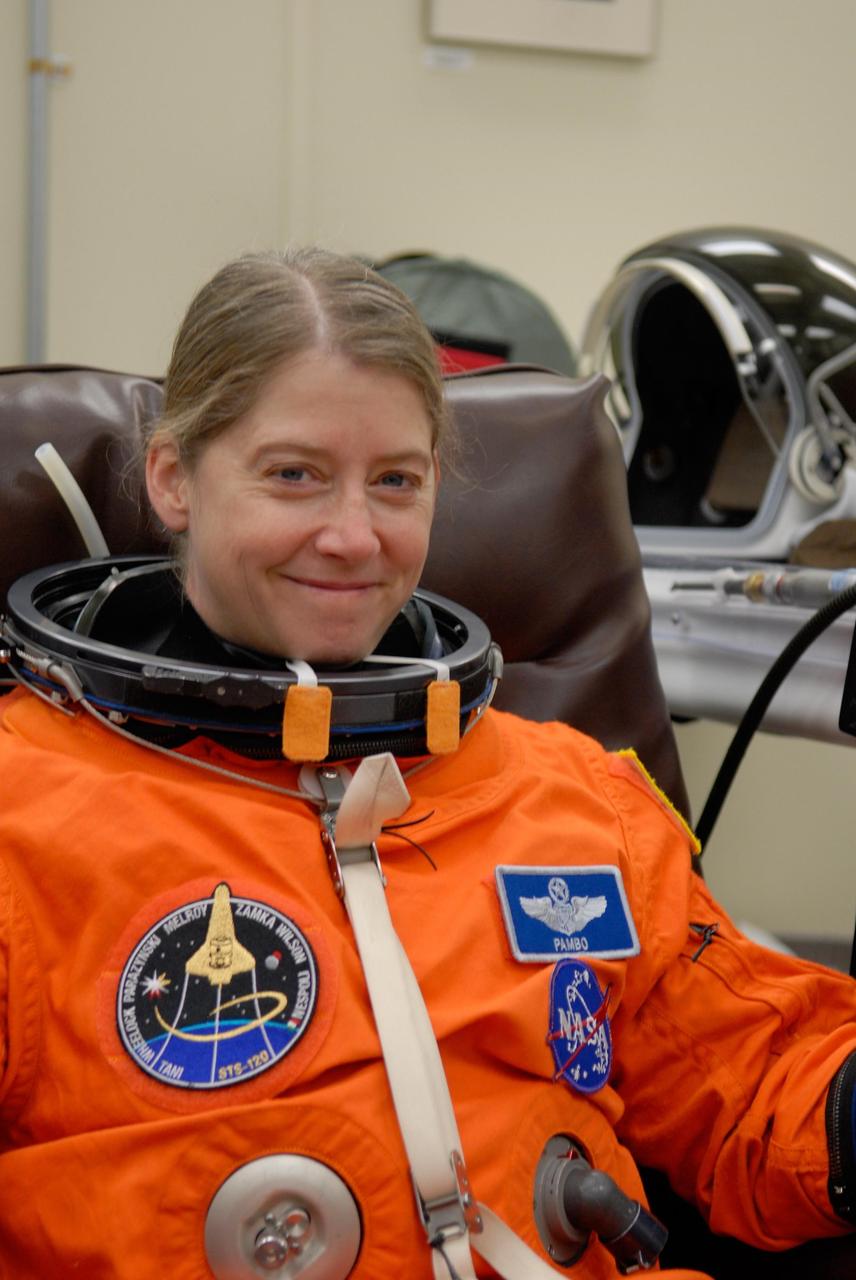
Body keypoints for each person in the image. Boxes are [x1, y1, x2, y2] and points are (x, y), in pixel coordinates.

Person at [0, 247, 854, 1280]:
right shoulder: (25, 813)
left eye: (395, 481)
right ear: (174, 477)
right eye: (294, 474)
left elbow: (758, 1075)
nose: (353, 537)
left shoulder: (575, 794)